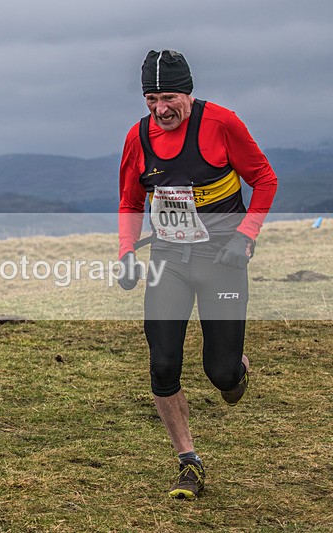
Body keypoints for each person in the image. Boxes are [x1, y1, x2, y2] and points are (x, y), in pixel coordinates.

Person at [117, 50, 278, 499]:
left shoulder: (221, 124)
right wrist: (127, 252)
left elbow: (264, 179)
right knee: (163, 363)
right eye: (151, 99)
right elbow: (130, 200)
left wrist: (245, 236)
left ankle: (237, 369)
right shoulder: (138, 137)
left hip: (221, 262)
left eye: (169, 97)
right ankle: (189, 461)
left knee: (221, 375)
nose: (160, 109)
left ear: (187, 93)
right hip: (168, 261)